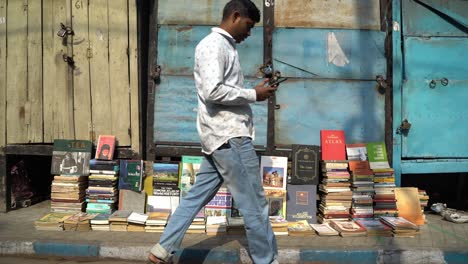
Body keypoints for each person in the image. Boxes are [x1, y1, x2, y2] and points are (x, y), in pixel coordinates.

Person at [148, 1, 279, 263]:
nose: (249, 33)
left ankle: (162, 250)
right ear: (235, 16)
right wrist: (254, 94)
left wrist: (255, 90)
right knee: (254, 204)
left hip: (219, 139)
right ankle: (267, 260)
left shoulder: (223, 46)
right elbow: (213, 91)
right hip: (230, 138)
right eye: (249, 26)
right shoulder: (214, 45)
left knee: (195, 198)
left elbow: (221, 88)